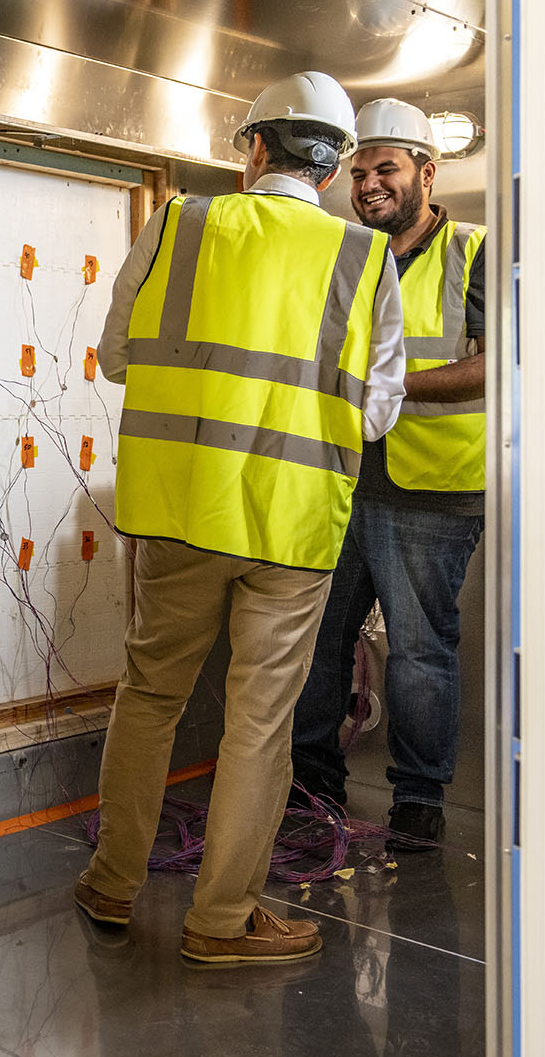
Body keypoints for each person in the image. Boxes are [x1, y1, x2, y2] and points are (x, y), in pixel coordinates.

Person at [73, 72, 406, 963]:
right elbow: (378, 412)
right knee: (259, 725)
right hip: (291, 531)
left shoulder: (179, 223)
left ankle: (111, 883)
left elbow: (113, 358)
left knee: (149, 696)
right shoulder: (364, 259)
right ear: (334, 171)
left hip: (179, 511)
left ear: (254, 149)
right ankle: (221, 921)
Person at [290, 99, 487, 850]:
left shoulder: (472, 251)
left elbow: (497, 364)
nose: (370, 185)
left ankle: (416, 801)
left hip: (431, 492)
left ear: (426, 174)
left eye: (387, 170)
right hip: (332, 479)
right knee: (316, 638)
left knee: (418, 648)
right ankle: (312, 783)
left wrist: (393, 386)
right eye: (361, 171)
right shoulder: (341, 252)